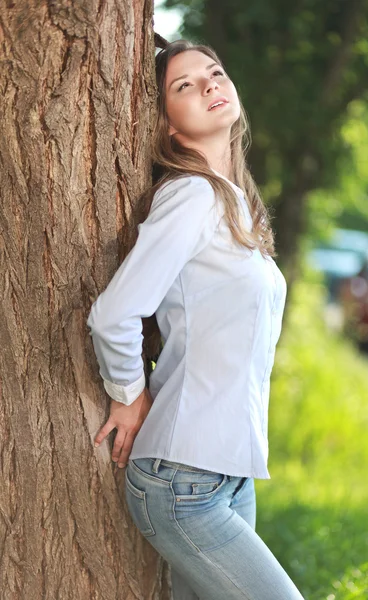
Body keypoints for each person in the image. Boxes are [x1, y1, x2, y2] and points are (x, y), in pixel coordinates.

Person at [87, 38, 304, 600]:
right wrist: (127, 392)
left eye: (214, 72)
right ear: (166, 126)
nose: (210, 84)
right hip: (183, 481)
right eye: (184, 85)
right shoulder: (191, 197)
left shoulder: (235, 205)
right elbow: (115, 311)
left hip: (226, 475)